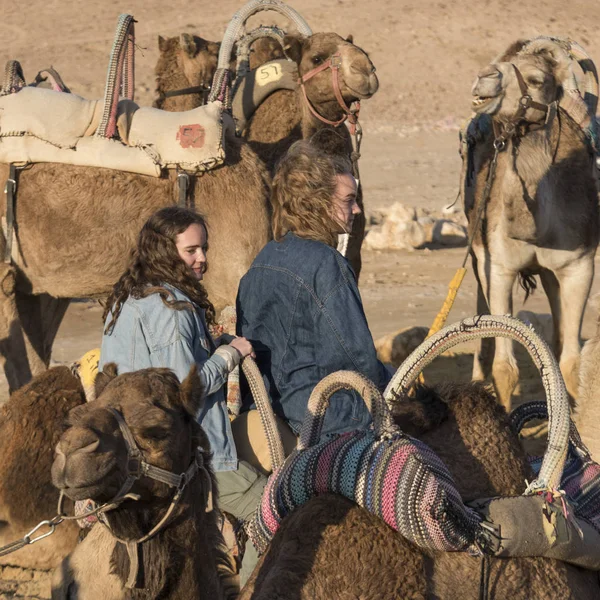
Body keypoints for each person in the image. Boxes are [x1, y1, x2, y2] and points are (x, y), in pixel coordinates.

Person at [99, 206, 265, 585]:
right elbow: (183, 391)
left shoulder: (128, 297)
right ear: (164, 250)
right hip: (183, 456)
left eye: (203, 248)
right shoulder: (171, 309)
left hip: (130, 452)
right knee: (270, 507)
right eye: (191, 250)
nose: (202, 259)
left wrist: (213, 346)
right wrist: (229, 355)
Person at [236, 141, 391, 439]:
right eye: (348, 200)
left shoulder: (263, 259)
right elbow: (355, 359)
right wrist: (393, 379)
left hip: (266, 410)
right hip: (324, 418)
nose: (357, 209)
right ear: (318, 201)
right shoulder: (326, 264)